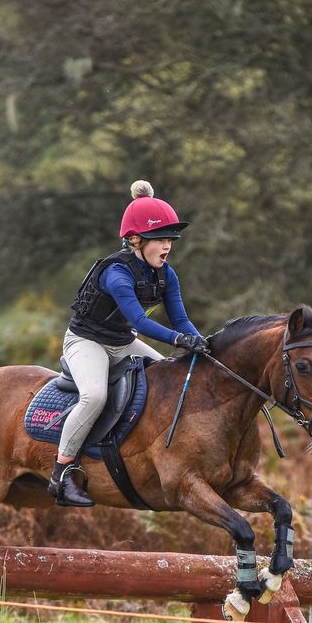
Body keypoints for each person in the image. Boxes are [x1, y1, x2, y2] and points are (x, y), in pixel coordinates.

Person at [48, 180, 211, 506]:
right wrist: (180, 339)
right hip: (86, 341)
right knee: (94, 396)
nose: (167, 247)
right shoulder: (116, 274)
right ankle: (62, 473)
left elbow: (180, 321)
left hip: (123, 342)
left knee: (169, 377)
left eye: (170, 240)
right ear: (135, 241)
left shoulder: (167, 274)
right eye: (160, 240)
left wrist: (201, 343)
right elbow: (140, 321)